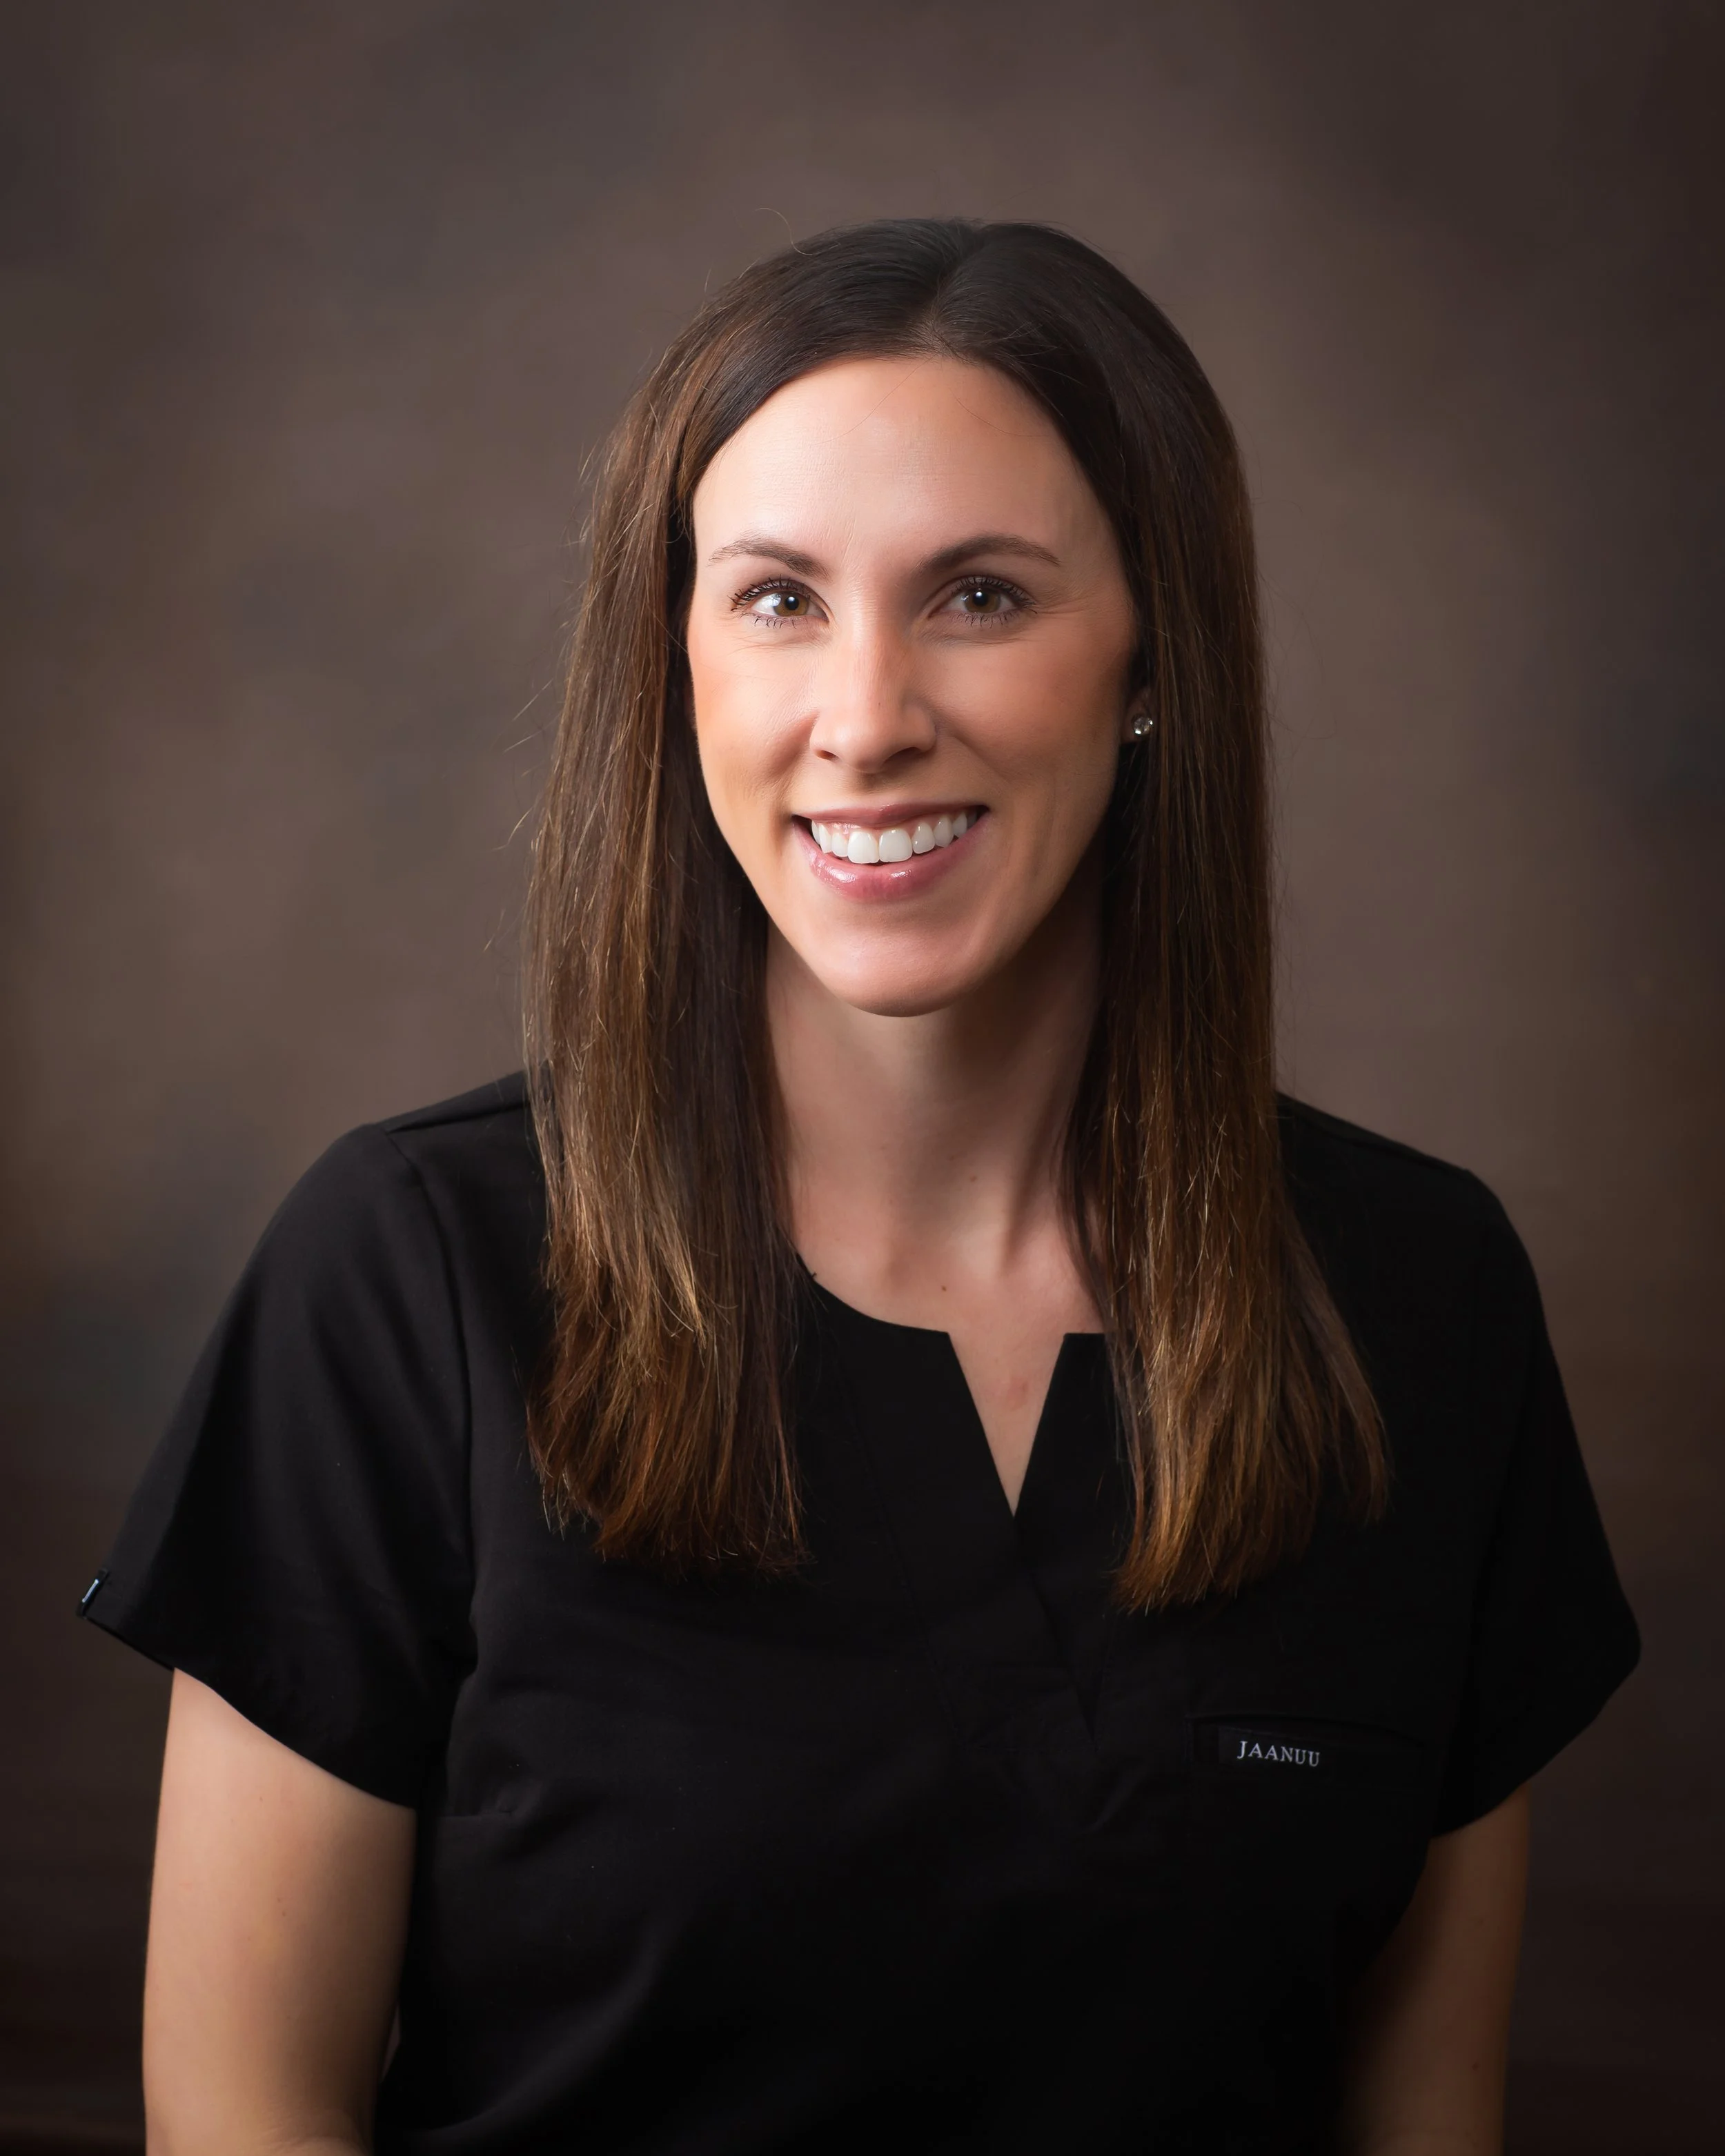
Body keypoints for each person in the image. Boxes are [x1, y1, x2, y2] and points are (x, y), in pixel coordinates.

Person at [82, 218, 1637, 2155]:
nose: (869, 714)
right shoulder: (409, 1275)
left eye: (978, 595)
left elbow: (1422, 2122)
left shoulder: (1421, 1302)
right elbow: (244, 2114)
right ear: (676, 662)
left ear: (1152, 655)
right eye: (776, 599)